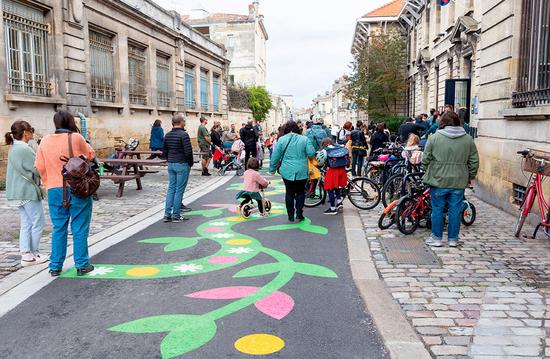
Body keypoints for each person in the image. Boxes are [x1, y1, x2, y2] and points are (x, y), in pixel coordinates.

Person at [35, 111, 96, 277]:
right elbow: (90, 154)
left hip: (54, 189)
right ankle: (82, 264)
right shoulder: (76, 138)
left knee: (59, 227)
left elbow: (39, 166)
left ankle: (55, 266)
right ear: (70, 122)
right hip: (77, 187)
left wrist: (49, 182)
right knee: (80, 226)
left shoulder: (45, 141)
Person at [422, 111, 479, 248]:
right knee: (455, 210)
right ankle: (453, 239)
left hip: (438, 179)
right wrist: (470, 176)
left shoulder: (434, 138)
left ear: (442, 122)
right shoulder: (468, 139)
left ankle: (436, 238)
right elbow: (474, 161)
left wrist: (426, 170)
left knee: (437, 210)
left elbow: (425, 159)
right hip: (458, 181)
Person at [5, 121, 48, 267]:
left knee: (26, 223)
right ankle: (33, 252)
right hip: (27, 190)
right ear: (25, 133)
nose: (33, 133)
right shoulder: (24, 149)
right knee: (37, 222)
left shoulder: (14, 148)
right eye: (31, 130)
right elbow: (37, 169)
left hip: (17, 191)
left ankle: (26, 254)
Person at [269, 120, 316, 222]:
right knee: (300, 192)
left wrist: (272, 169)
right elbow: (311, 153)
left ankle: (290, 215)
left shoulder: (282, 140)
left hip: (287, 170)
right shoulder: (304, 139)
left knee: (289, 192)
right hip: (301, 169)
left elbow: (275, 156)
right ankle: (299, 213)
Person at [162, 114, 194, 223]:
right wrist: (190, 163)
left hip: (171, 163)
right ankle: (175, 215)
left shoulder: (167, 135)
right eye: (184, 121)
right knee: (179, 190)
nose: (185, 122)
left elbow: (164, 151)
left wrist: (169, 159)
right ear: (180, 122)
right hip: (182, 163)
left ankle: (167, 214)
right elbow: (188, 152)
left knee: (171, 188)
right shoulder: (184, 135)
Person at [319, 138, 348, 215]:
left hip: (333, 171)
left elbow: (321, 161)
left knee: (330, 189)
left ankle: (332, 209)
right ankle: (339, 202)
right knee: (336, 186)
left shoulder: (326, 150)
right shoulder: (339, 148)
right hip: (342, 170)